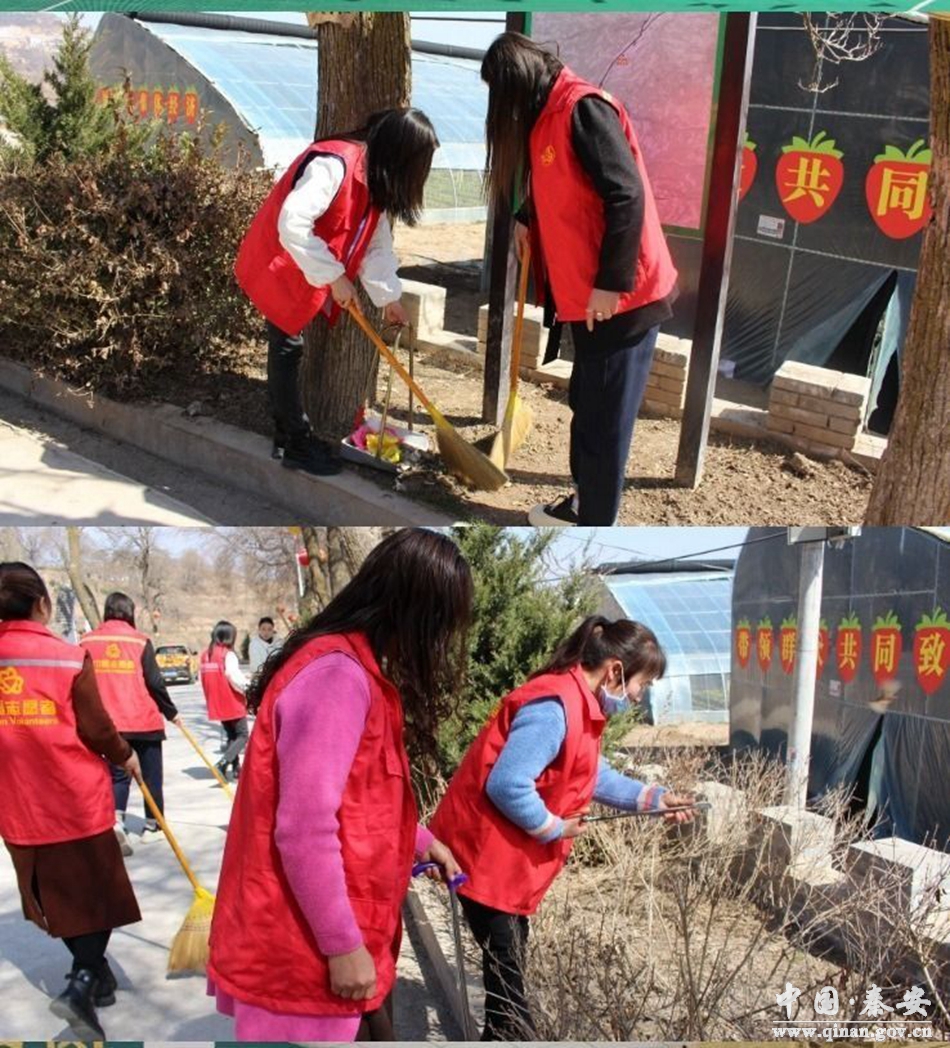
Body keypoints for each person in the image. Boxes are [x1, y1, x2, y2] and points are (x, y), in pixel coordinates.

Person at [207, 529, 473, 1042]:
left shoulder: (355, 670)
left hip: (342, 933)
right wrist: (342, 946)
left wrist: (420, 841)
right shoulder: (336, 678)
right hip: (309, 949)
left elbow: (363, 796)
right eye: (440, 624)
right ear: (413, 613)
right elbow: (304, 827)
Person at [430, 615, 696, 1040]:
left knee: (506, 984)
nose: (638, 696)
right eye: (641, 685)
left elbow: (591, 773)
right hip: (485, 861)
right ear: (615, 671)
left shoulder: (578, 704)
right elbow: (507, 783)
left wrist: (653, 799)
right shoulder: (554, 708)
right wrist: (552, 827)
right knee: (510, 998)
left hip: (505, 866)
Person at [480, 33, 679, 527]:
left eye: (501, 94)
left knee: (605, 420)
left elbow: (626, 194)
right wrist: (526, 217)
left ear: (518, 82)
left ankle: (594, 521)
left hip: (622, 299)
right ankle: (581, 503)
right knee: (587, 404)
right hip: (587, 297)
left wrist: (611, 283)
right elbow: (561, 181)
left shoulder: (583, 109)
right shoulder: (546, 115)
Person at [234, 107, 440, 476]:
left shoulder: (374, 176)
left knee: (287, 348)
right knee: (286, 347)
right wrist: (335, 277)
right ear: (399, 153)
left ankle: (288, 436)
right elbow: (292, 223)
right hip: (280, 260)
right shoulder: (334, 164)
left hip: (306, 265)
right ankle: (294, 442)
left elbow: (375, 244)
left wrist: (388, 297)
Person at [0, 563, 142, 1040]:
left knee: (55, 899)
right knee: (99, 897)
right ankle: (81, 985)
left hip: (16, 802)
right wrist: (125, 755)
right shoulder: (66, 657)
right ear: (42, 603)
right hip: (74, 798)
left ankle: (97, 977)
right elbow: (96, 728)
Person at [80, 593, 182, 855]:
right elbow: (155, 683)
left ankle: (116, 821)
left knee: (118, 774)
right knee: (150, 775)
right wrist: (171, 712)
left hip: (108, 725)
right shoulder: (139, 641)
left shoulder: (87, 642)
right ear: (130, 613)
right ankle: (153, 826)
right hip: (143, 720)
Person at [200, 621, 250, 782]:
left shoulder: (206, 655)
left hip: (216, 701)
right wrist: (249, 688)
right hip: (231, 700)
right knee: (242, 735)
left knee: (232, 735)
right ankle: (223, 763)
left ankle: (236, 768)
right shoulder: (227, 654)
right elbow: (234, 677)